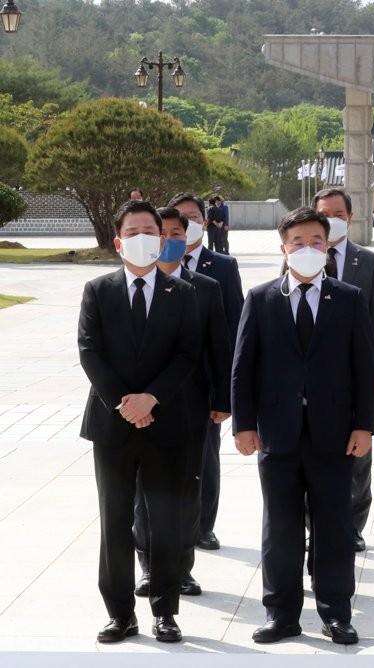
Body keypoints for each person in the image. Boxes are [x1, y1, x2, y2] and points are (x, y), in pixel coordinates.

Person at [232, 207, 374, 645]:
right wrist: (243, 424)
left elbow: (362, 366)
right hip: (277, 431)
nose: (307, 249)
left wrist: (364, 426)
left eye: (316, 241)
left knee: (335, 526)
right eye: (298, 242)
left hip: (334, 434)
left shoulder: (349, 298)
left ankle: (336, 612)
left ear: (328, 247)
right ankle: (281, 613)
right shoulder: (260, 298)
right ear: (284, 248)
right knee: (281, 527)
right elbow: (243, 367)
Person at [78, 200, 200, 643]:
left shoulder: (182, 293)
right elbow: (89, 351)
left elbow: (188, 353)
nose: (144, 237)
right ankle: (120, 613)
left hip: (165, 423)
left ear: (165, 238)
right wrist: (125, 403)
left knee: (165, 520)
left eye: (152, 230)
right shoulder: (98, 290)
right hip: (112, 426)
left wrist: (152, 399)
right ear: (118, 241)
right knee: (114, 522)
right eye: (133, 231)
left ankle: (165, 611)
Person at [132, 207, 231, 600]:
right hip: (144, 408)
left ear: (187, 236)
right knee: (143, 493)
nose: (169, 238)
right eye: (163, 232)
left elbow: (219, 347)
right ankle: (147, 566)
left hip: (192, 406)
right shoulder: (136, 284)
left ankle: (181, 569)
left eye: (177, 232)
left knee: (186, 493)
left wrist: (223, 399)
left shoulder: (205, 288)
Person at [313, 187, 374, 552]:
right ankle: (317, 526)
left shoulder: (369, 262)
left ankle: (354, 525)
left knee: (358, 454)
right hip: (314, 375)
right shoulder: (300, 254)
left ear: (350, 217)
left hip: (356, 372)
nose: (331, 220)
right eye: (323, 213)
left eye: (337, 214)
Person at [169, 192, 244, 551]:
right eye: (181, 216)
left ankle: (203, 525)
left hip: (206, 381)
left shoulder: (223, 267)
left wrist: (226, 390)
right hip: (166, 385)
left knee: (206, 459)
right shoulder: (154, 266)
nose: (189, 222)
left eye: (195, 216)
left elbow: (234, 327)